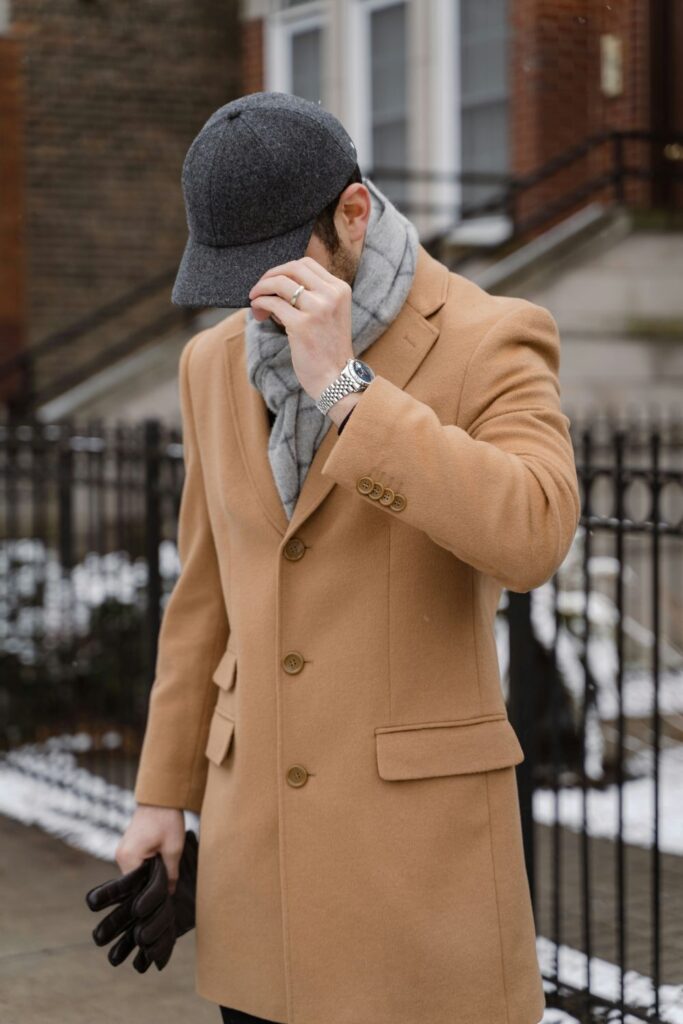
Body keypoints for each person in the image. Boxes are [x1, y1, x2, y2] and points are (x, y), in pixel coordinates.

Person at [116, 91, 581, 1024]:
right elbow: (202, 598)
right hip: (258, 875)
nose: (257, 299)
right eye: (233, 277)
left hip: (419, 882)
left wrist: (347, 389)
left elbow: (534, 533)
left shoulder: (491, 334)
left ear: (353, 214)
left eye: (275, 267)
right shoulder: (211, 365)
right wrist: (160, 799)